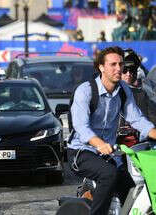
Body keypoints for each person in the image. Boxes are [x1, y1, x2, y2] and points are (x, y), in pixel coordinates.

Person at [67, 46, 156, 215]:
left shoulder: (123, 90)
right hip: (81, 152)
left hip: (107, 154)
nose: (118, 69)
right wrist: (100, 144)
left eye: (120, 64)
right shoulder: (85, 91)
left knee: (131, 188)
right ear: (101, 67)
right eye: (113, 64)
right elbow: (81, 127)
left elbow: (136, 118)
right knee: (109, 174)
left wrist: (154, 133)